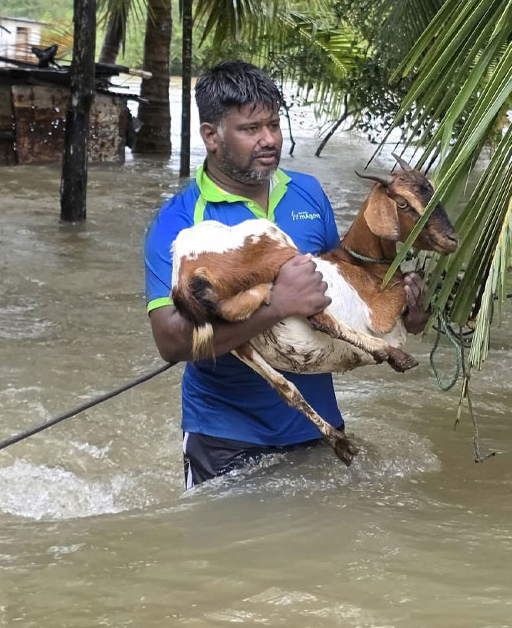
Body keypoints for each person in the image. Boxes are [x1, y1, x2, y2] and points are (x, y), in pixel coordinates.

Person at [143, 60, 429, 489]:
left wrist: (409, 312)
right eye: (250, 129)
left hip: (319, 429)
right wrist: (278, 306)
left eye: (274, 125)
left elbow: (350, 284)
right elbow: (171, 341)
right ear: (211, 136)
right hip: (224, 437)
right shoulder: (180, 224)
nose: (269, 139)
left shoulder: (307, 192)